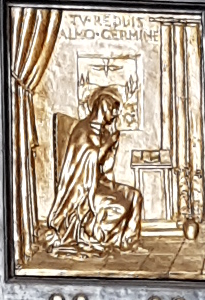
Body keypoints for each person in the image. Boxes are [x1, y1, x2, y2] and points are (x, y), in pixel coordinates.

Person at [40, 80, 142, 258]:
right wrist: (109, 144)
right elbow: (89, 163)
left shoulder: (103, 132)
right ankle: (94, 235)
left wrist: (112, 147)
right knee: (118, 206)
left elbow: (104, 167)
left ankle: (128, 241)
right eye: (112, 110)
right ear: (103, 107)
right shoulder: (83, 130)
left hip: (99, 182)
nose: (115, 114)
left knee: (134, 195)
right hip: (82, 189)